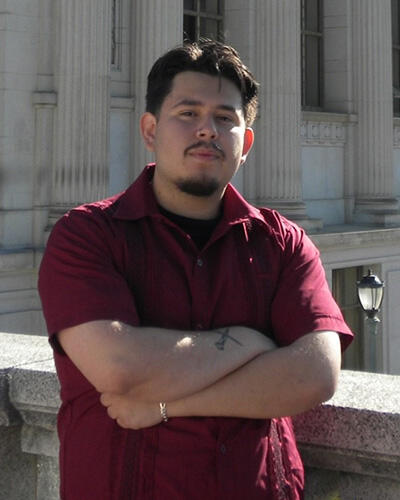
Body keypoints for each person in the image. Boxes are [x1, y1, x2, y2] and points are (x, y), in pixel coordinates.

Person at [39, 39, 353, 500]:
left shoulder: (283, 244)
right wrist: (248, 342)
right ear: (150, 130)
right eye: (187, 113)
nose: (207, 130)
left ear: (244, 143)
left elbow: (316, 375)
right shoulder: (87, 236)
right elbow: (120, 367)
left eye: (225, 118)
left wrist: (162, 404)